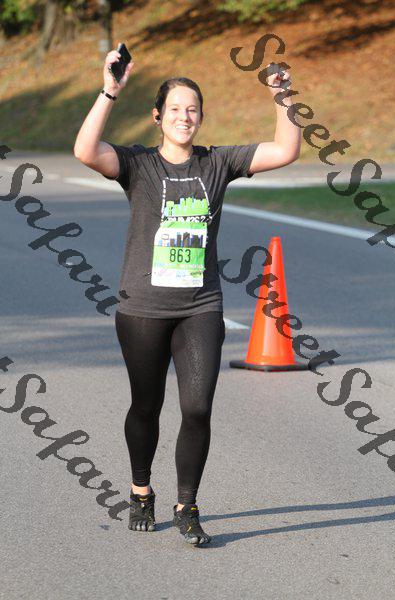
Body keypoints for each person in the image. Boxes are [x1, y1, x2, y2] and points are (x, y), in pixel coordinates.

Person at [73, 47, 299, 546]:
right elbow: (86, 151)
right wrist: (109, 90)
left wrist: (282, 96)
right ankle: (140, 490)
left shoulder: (217, 163)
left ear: (201, 118)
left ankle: (187, 505)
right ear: (157, 117)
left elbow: (285, 151)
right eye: (174, 108)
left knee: (197, 408)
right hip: (142, 309)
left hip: (200, 306)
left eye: (192, 109)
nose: (184, 116)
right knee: (146, 406)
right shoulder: (138, 165)